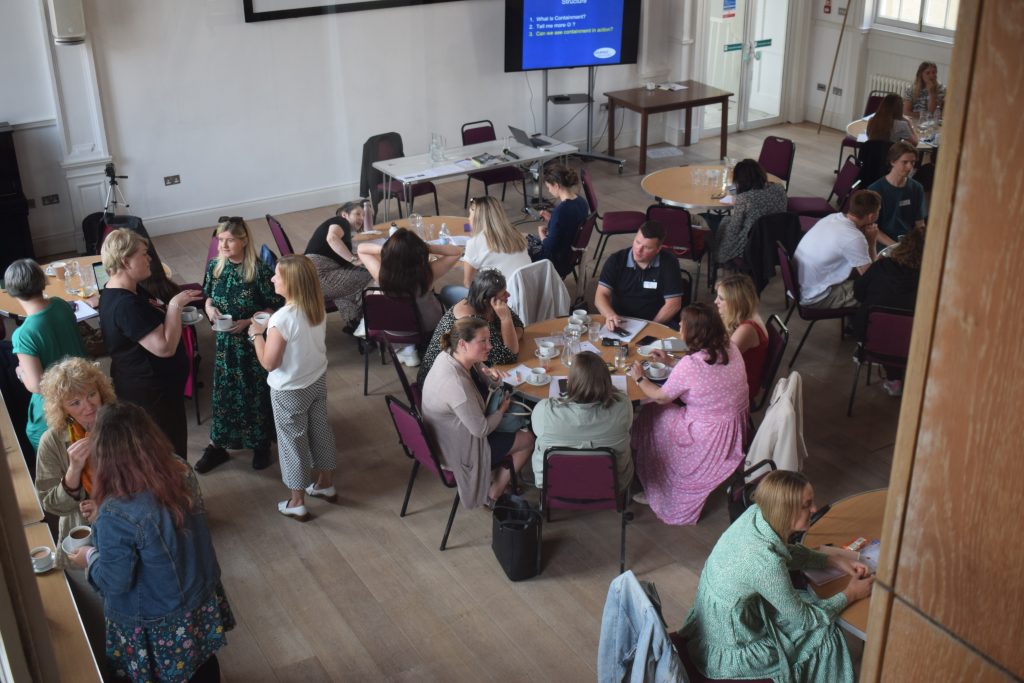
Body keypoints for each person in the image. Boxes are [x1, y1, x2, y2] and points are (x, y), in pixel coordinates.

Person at [64, 402, 234, 682]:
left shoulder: (115, 511)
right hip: (199, 593)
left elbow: (115, 581)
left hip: (158, 619)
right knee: (202, 663)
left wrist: (90, 558)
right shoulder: (179, 468)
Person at [679, 470, 874, 683]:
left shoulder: (755, 514)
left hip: (719, 621)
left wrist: (833, 560)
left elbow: (784, 551)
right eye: (807, 505)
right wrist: (851, 594)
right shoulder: (766, 565)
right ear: (785, 511)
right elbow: (807, 621)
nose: (815, 509)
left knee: (808, 600)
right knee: (824, 631)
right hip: (732, 645)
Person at [629, 303, 749, 525]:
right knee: (657, 409)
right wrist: (670, 362)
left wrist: (638, 377)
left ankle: (653, 472)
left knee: (652, 411)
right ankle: (644, 457)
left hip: (705, 437)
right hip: (733, 427)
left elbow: (661, 396)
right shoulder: (730, 347)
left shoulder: (691, 364)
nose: (680, 326)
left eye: (683, 324)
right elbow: (704, 377)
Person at [99, 228, 203, 458]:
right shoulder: (125, 305)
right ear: (126, 261)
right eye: (144, 254)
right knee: (166, 454)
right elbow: (164, 348)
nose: (150, 259)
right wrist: (175, 305)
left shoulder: (131, 290)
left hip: (160, 390)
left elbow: (157, 320)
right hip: (151, 397)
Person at [249, 255, 338, 522]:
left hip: (289, 390)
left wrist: (256, 334)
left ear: (292, 283)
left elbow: (269, 363)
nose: (272, 278)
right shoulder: (316, 306)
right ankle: (325, 483)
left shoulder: (281, 319)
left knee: (292, 442)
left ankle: (297, 501)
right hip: (316, 379)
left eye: (278, 275)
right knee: (320, 429)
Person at [196, 217, 283, 473]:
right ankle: (218, 445)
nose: (223, 245)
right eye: (220, 240)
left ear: (244, 240)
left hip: (252, 345)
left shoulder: (258, 270)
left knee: (254, 394)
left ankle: (260, 444)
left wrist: (247, 322)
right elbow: (208, 297)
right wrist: (210, 309)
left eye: (229, 240)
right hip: (225, 346)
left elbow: (274, 307)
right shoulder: (215, 266)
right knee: (224, 395)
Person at [421, 317, 534, 508]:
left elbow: (484, 377)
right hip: (459, 449)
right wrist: (501, 410)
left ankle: (497, 477)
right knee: (529, 438)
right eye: (483, 341)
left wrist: (492, 378)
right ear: (464, 344)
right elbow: (481, 430)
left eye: (489, 339)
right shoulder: (456, 384)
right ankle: (493, 493)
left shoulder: (451, 354)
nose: (489, 346)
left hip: (445, 436)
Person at [5, 259, 87, 450]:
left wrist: (19, 371)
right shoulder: (61, 305)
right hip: (83, 387)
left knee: (36, 436)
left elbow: (36, 385)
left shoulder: (23, 335)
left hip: (56, 408)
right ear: (43, 282)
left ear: (12, 291)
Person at [357, 228, 461, 367]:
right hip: (424, 327)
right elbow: (456, 252)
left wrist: (389, 249)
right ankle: (410, 347)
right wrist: (426, 247)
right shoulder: (427, 274)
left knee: (372, 293)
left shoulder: (381, 274)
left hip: (389, 327)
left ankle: (405, 348)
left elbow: (361, 249)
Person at [530, 351, 633, 489]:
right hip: (611, 484)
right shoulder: (624, 407)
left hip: (554, 484)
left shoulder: (544, 411)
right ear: (606, 381)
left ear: (569, 382)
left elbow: (537, 431)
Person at [417, 268, 524, 385]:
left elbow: (519, 326)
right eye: (504, 293)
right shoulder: (472, 320)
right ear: (487, 300)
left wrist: (507, 339)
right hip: (439, 382)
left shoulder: (491, 304)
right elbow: (509, 356)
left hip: (473, 370)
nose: (508, 295)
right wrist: (506, 320)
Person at [854, 225, 926, 397]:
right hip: (914, 347)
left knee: (891, 327)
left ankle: (894, 379)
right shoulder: (930, 280)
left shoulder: (881, 266)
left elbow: (858, 294)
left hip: (872, 341)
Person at [793, 189, 881, 310]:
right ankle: (856, 325)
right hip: (816, 297)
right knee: (878, 291)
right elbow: (871, 277)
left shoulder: (833, 217)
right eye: (878, 211)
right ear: (871, 216)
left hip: (799, 285)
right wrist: (871, 243)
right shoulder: (854, 238)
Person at [595, 221, 685, 329]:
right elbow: (600, 295)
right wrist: (610, 315)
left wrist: (650, 326)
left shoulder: (669, 263)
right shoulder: (616, 260)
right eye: (637, 242)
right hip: (620, 321)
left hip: (657, 322)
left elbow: (673, 304)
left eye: (647, 247)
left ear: (658, 249)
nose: (638, 250)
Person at [303, 201, 374, 326]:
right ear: (345, 215)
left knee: (348, 282)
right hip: (319, 275)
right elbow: (332, 238)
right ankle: (370, 320)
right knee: (374, 273)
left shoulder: (342, 229)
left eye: (363, 215)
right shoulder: (341, 221)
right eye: (357, 214)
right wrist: (354, 259)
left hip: (310, 277)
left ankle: (354, 323)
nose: (361, 218)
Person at [713, 159, 789, 265]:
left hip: (752, 242)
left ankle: (717, 258)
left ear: (741, 180)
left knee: (725, 222)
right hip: (777, 237)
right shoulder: (779, 188)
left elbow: (735, 227)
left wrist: (722, 242)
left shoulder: (745, 198)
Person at [526, 164, 589, 278]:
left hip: (555, 261)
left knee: (520, 243)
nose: (549, 191)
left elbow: (549, 246)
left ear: (556, 185)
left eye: (549, 187)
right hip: (569, 255)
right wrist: (552, 219)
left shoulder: (561, 211)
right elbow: (570, 224)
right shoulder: (581, 201)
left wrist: (541, 233)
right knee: (524, 237)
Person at [714, 273, 769, 401]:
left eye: (721, 298)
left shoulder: (746, 329)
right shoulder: (746, 315)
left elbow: (718, 361)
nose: (715, 301)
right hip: (734, 377)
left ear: (735, 302)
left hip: (739, 390)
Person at [867, 141, 927, 246]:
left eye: (912, 162)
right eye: (905, 162)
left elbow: (920, 223)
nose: (910, 167)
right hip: (884, 244)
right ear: (892, 162)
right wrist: (896, 247)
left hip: (908, 243)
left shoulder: (917, 188)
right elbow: (871, 227)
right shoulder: (875, 189)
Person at [463, 195, 532, 286]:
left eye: (470, 215)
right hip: (527, 291)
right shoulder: (516, 234)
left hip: (501, 297)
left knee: (447, 291)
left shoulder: (474, 243)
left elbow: (468, 282)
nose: (468, 218)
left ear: (477, 219)